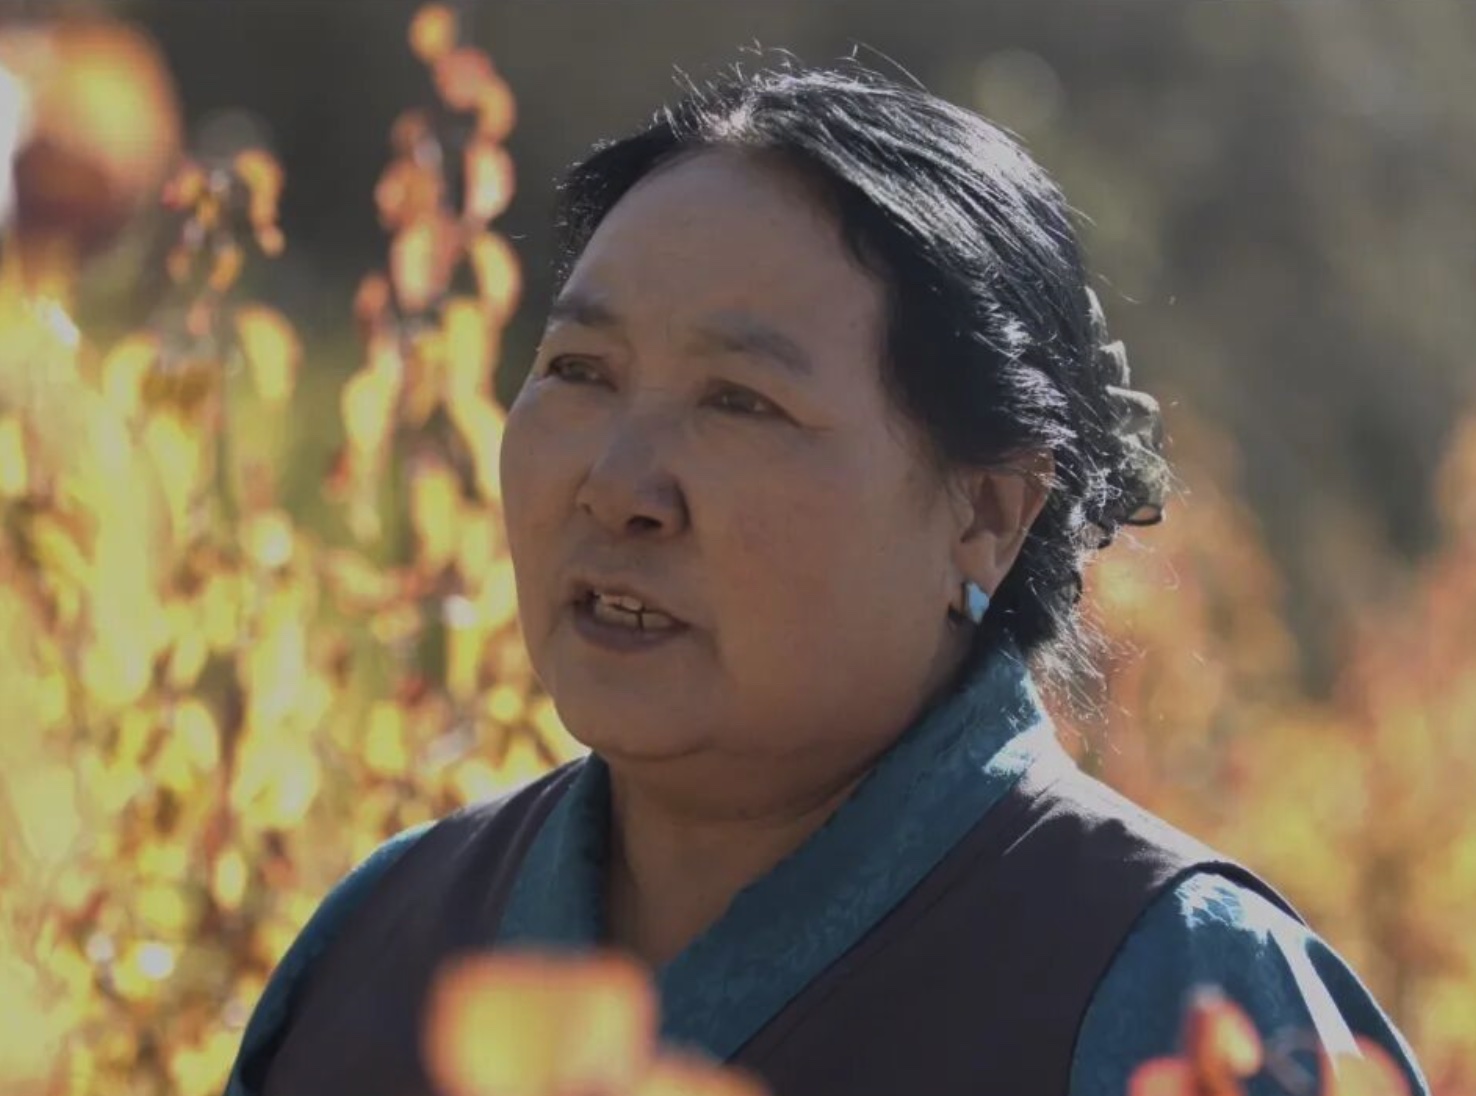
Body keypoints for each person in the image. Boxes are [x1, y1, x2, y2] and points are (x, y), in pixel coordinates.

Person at [224, 63, 1429, 1096]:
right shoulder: (383, 949)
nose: (618, 485)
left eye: (740, 401)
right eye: (580, 370)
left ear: (988, 513)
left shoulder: (1168, 990)